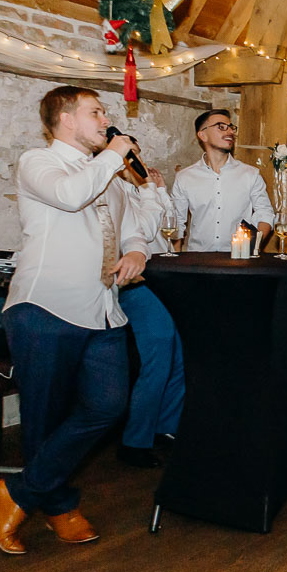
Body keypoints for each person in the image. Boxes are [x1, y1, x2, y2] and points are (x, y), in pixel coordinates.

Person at [0, 86, 148, 554]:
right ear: (66, 118)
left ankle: (16, 492)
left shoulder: (109, 174)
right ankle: (57, 505)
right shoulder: (39, 162)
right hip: (45, 307)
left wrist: (137, 250)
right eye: (96, 112)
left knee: (109, 405)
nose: (106, 120)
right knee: (45, 417)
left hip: (103, 308)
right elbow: (71, 196)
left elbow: (132, 226)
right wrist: (113, 155)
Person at [115, 145, 185, 468]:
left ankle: (165, 427)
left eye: (138, 155)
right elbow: (140, 233)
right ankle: (134, 441)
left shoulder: (143, 191)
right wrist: (150, 191)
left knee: (179, 352)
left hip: (164, 280)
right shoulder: (114, 193)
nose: (137, 162)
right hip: (136, 285)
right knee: (158, 354)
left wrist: (160, 191)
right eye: (130, 157)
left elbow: (174, 229)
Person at [170, 109, 274, 252]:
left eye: (231, 127)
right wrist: (175, 259)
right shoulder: (185, 177)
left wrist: (252, 247)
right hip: (198, 258)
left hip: (238, 258)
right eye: (221, 127)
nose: (230, 132)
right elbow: (177, 223)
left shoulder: (250, 174)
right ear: (202, 135)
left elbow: (265, 213)